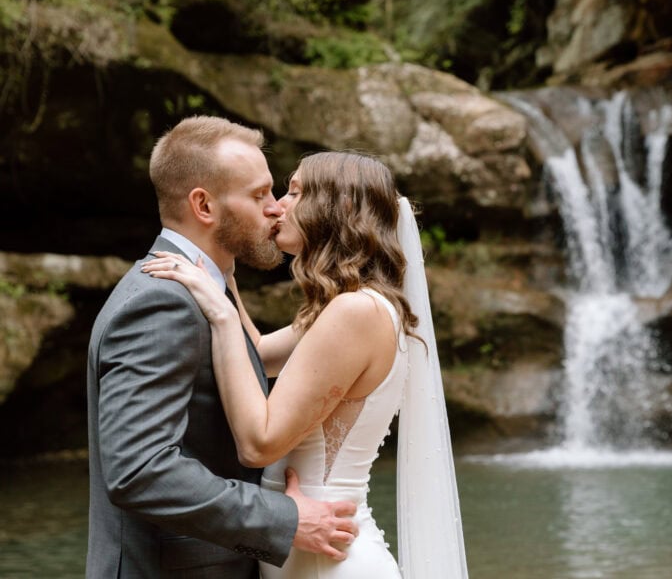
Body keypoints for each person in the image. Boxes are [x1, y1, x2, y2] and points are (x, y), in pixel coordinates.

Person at [142, 151, 469, 578]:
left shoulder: (356, 313)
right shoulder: (350, 306)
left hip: (329, 560)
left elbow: (259, 443)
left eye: (294, 192)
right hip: (307, 552)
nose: (278, 205)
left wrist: (221, 315)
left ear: (335, 209)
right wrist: (224, 272)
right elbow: (254, 353)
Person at [86, 116, 358, 578]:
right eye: (258, 196)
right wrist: (284, 520)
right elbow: (139, 470)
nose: (276, 209)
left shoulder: (204, 292)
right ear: (204, 206)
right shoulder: (160, 302)